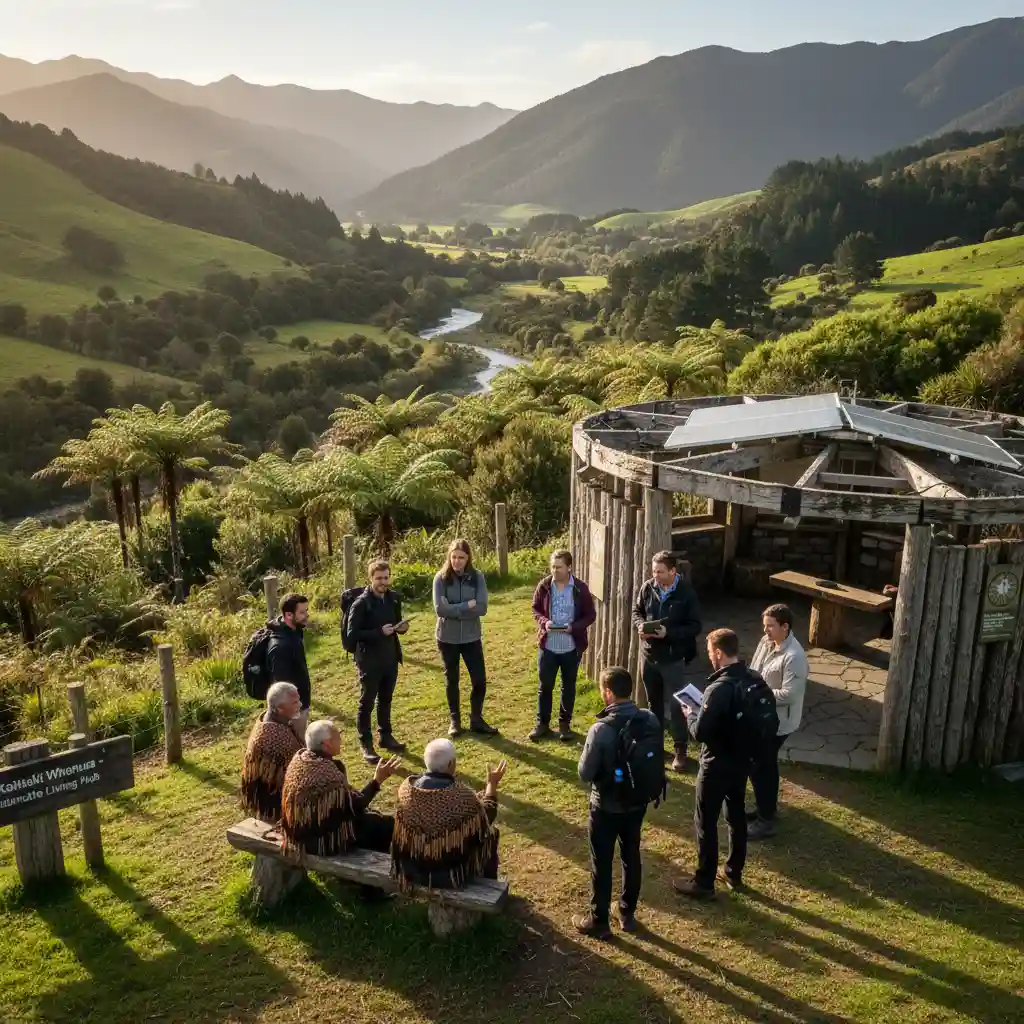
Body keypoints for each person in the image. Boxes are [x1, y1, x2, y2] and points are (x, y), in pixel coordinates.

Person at [574, 666, 661, 939]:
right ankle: (626, 912)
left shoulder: (601, 729)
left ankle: (599, 920)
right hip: (637, 802)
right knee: (631, 854)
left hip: (606, 805)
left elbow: (585, 773)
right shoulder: (649, 720)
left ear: (608, 693)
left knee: (601, 861)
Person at [673, 629, 760, 900]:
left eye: (710, 652)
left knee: (706, 821)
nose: (709, 656)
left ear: (719, 653)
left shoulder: (719, 688)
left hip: (716, 763)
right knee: (736, 817)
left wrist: (690, 714)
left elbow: (700, 733)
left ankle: (704, 881)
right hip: (743, 759)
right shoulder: (753, 679)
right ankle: (733, 872)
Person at [391, 738, 506, 890]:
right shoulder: (461, 796)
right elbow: (486, 816)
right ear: (451, 764)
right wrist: (491, 785)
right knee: (490, 834)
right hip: (449, 874)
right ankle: (489, 886)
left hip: (412, 869)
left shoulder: (406, 790)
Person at [280, 718, 401, 858]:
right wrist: (377, 780)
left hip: (299, 833)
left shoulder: (300, 760)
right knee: (384, 825)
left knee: (374, 818)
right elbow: (353, 807)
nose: (341, 740)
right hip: (321, 841)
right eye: (337, 737)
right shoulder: (327, 773)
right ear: (326, 744)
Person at [631, 550, 702, 772]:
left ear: (673, 571)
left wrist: (668, 633)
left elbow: (695, 626)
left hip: (673, 658)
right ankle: (656, 745)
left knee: (679, 704)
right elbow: (636, 611)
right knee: (654, 704)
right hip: (648, 656)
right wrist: (640, 626)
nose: (655, 576)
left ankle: (681, 750)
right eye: (653, 571)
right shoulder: (647, 587)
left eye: (660, 572)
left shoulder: (686, 593)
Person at [747, 604, 808, 839]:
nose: (765, 632)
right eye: (764, 626)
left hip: (780, 723)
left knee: (762, 767)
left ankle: (766, 820)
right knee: (762, 765)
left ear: (785, 627)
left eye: (770, 626)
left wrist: (758, 695)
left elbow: (790, 695)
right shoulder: (766, 643)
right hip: (762, 717)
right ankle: (765, 810)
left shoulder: (795, 657)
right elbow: (755, 670)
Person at [346, 560, 410, 764]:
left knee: (386, 699)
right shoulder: (361, 604)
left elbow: (397, 623)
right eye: (379, 578)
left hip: (390, 658)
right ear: (370, 579)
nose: (383, 582)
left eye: (386, 577)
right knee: (366, 703)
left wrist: (402, 628)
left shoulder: (393, 599)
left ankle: (385, 736)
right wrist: (378, 632)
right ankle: (366, 744)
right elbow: (351, 636)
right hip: (369, 661)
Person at [433, 539, 499, 738]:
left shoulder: (477, 577)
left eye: (461, 557)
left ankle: (476, 719)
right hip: (447, 638)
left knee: (479, 679)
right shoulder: (440, 578)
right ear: (449, 557)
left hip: (471, 637)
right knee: (451, 679)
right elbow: (439, 609)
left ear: (468, 558)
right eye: (454, 557)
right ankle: (455, 721)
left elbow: (482, 608)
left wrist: (453, 608)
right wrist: (466, 605)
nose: (457, 561)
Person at [530, 549, 597, 742]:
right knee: (545, 686)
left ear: (569, 567)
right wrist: (545, 622)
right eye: (552, 566)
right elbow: (535, 609)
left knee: (568, 686)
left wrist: (573, 627)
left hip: (571, 647)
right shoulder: (544, 586)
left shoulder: (580, 589)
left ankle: (564, 726)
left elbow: (590, 615)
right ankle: (542, 724)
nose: (555, 570)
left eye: (559, 567)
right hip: (548, 646)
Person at [239, 681, 303, 823]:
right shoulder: (278, 738)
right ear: (280, 709)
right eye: (294, 703)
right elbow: (299, 773)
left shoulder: (266, 719)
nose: (300, 705)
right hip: (274, 804)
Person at [267, 593, 312, 741]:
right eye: (302, 612)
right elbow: (281, 686)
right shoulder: (280, 647)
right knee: (297, 746)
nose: (307, 615)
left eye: (306, 611)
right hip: (293, 710)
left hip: (300, 702)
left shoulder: (295, 630)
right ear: (288, 615)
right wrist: (294, 711)